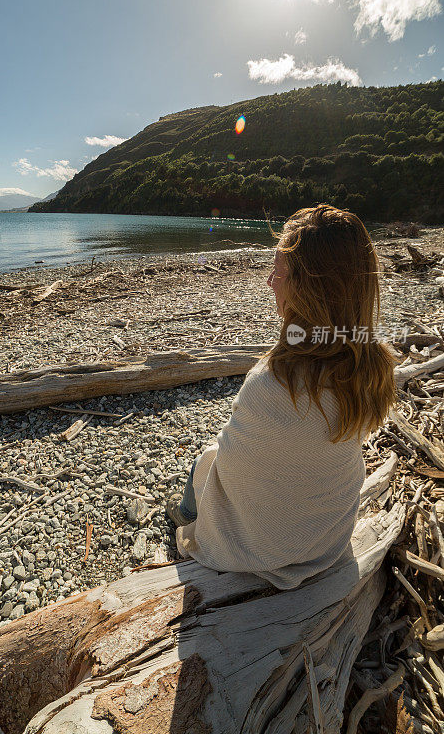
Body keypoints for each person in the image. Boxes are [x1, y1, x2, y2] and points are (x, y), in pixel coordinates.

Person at [165, 204, 401, 590]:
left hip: (261, 551)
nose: (270, 282)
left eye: (279, 272)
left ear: (309, 289)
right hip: (325, 541)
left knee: (204, 462)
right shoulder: (372, 367)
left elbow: (233, 470)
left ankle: (185, 517)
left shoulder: (273, 385)